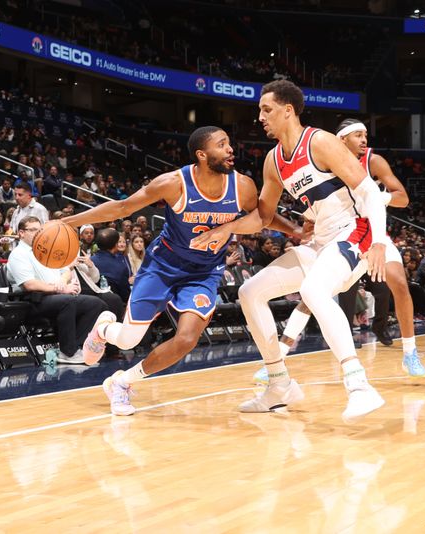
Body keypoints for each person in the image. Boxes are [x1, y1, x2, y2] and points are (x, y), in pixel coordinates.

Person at [191, 81, 413, 422]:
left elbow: (369, 192)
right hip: (320, 241)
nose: (260, 117)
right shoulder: (273, 161)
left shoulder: (321, 141)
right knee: (250, 291)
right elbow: (264, 217)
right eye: (260, 111)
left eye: (266, 110)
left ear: (288, 110)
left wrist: (381, 242)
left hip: (356, 231)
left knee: (313, 290)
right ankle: (279, 385)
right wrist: (226, 227)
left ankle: (359, 385)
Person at [64, 125, 298, 415]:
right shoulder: (173, 183)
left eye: (229, 144)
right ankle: (103, 329)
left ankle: (122, 383)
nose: (230, 150)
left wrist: (296, 231)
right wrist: (67, 223)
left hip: (204, 272)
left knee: (187, 339)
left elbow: (263, 216)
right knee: (128, 339)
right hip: (162, 267)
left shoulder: (242, 186)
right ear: (202, 154)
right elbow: (122, 208)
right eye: (222, 145)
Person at [255, 119, 424, 366]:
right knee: (312, 295)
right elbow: (316, 201)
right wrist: (307, 220)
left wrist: (374, 196)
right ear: (341, 139)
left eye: (365, 134)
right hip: (337, 234)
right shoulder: (325, 157)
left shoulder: (372, 161)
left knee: (398, 282)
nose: (364, 140)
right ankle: (279, 354)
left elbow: (402, 198)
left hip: (369, 230)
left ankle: (410, 352)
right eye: (358, 135)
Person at [6, 216, 107, 363]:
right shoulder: (18, 254)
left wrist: (63, 283)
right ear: (21, 233)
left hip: (56, 296)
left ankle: (77, 346)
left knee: (96, 304)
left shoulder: (47, 250)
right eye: (33, 230)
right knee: (67, 301)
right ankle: (68, 352)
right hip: (33, 301)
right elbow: (29, 285)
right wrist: (59, 289)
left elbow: (65, 271)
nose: (38, 233)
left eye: (39, 230)